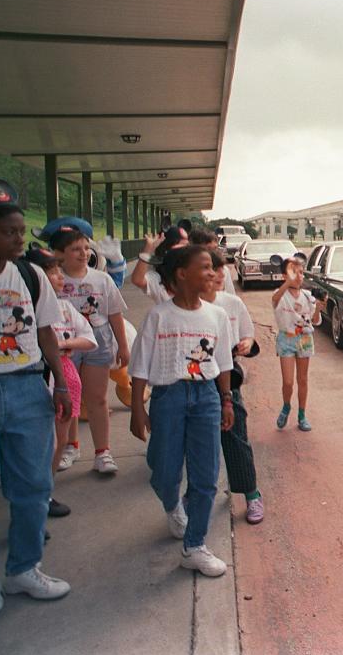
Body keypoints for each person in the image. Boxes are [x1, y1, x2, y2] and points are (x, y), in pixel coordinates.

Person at [0, 179, 73, 615]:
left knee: (33, 485)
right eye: (10, 232)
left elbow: (46, 333)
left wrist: (59, 383)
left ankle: (23, 569)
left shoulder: (30, 274)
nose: (20, 239)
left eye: (21, 231)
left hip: (26, 387)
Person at [128, 245, 235, 577]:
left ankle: (194, 545)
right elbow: (141, 364)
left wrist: (226, 399)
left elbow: (223, 362)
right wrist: (136, 408)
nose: (212, 274)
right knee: (163, 469)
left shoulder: (216, 316)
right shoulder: (159, 315)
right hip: (168, 397)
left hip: (207, 397)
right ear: (181, 273)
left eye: (213, 268)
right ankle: (173, 504)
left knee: (206, 476)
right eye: (204, 267)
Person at [23, 245, 97, 518]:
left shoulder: (65, 308)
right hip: (36, 379)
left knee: (59, 440)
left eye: (56, 270)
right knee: (41, 444)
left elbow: (89, 339)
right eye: (50, 271)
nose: (58, 276)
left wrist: (63, 343)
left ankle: (44, 494)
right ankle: (31, 500)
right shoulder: (19, 307)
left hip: (64, 378)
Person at [50, 227, 129, 474]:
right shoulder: (53, 280)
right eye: (75, 249)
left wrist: (123, 346)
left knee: (98, 398)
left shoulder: (101, 279)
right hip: (64, 343)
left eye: (86, 247)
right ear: (59, 254)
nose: (83, 253)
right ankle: (70, 447)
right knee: (69, 399)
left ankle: (102, 452)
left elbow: (114, 314)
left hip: (98, 340)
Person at [202, 250, 265, 524]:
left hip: (228, 380)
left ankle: (252, 495)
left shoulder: (232, 304)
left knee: (236, 435)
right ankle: (197, 497)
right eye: (210, 269)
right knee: (201, 445)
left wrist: (247, 343)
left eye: (219, 270)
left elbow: (248, 335)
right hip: (196, 382)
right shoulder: (180, 307)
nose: (217, 275)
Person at [271, 253, 323, 431]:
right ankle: (286, 406)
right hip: (286, 339)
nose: (299, 276)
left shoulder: (308, 296)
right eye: (294, 272)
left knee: (302, 379)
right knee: (288, 382)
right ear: (284, 276)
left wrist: (319, 310)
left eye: (301, 273)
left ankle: (302, 415)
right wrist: (287, 283)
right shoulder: (280, 294)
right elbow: (274, 300)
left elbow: (315, 321)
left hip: (305, 339)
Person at [131, 226, 189, 303]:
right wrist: (149, 249)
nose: (186, 251)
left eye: (187, 246)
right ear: (167, 250)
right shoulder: (158, 279)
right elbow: (137, 280)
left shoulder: (194, 270)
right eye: (181, 246)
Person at [188, 228, 236, 294]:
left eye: (215, 248)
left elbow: (231, 295)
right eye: (209, 249)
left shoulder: (224, 270)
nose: (214, 253)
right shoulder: (188, 273)